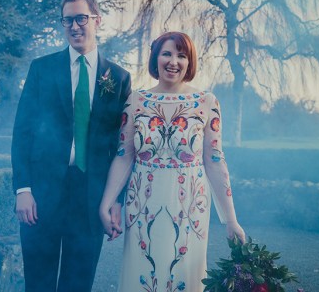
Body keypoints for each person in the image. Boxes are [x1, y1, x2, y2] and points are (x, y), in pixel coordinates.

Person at [99, 31, 246, 292]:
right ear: (155, 58)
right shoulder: (136, 101)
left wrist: (231, 219)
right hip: (142, 204)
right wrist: (106, 204)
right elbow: (124, 156)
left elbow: (214, 161)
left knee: (185, 277)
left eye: (182, 56)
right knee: (141, 276)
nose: (173, 61)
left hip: (189, 206)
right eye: (167, 53)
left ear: (190, 63)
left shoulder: (207, 102)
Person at [11, 0, 132, 292]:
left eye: (81, 18)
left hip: (91, 198)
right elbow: (22, 132)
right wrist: (23, 189)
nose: (75, 27)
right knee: (38, 283)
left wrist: (116, 200)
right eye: (68, 20)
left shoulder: (118, 78)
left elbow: (123, 146)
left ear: (97, 21)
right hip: (42, 193)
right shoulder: (42, 69)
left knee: (78, 285)